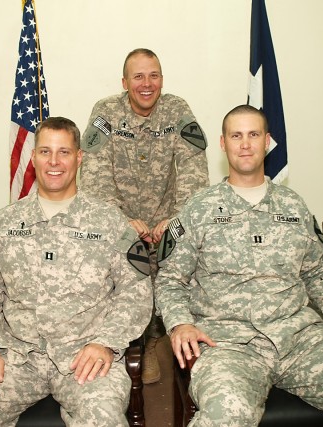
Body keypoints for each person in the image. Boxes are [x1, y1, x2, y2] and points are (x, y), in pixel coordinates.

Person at [156, 105, 323, 426]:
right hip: (227, 345)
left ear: (267, 142)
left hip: (301, 340)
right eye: (236, 135)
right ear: (223, 143)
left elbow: (318, 273)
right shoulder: (198, 208)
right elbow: (170, 280)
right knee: (226, 415)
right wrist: (180, 324)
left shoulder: (293, 205)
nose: (245, 144)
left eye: (254, 134)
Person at [0, 117, 152, 426]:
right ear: (34, 156)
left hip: (85, 356)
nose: (54, 161)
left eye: (64, 152)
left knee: (103, 419)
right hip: (14, 357)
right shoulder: (4, 223)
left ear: (79, 158)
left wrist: (106, 342)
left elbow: (136, 293)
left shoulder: (111, 222)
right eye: (46, 152)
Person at [80, 48, 209, 383]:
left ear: (162, 80)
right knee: (118, 263)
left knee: (186, 253)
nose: (146, 83)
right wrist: (123, 221)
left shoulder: (177, 110)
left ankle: (159, 338)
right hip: (118, 220)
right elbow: (94, 179)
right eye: (138, 76)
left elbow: (194, 175)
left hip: (169, 220)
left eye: (154, 75)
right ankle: (134, 341)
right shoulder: (105, 111)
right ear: (125, 82)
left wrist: (175, 218)